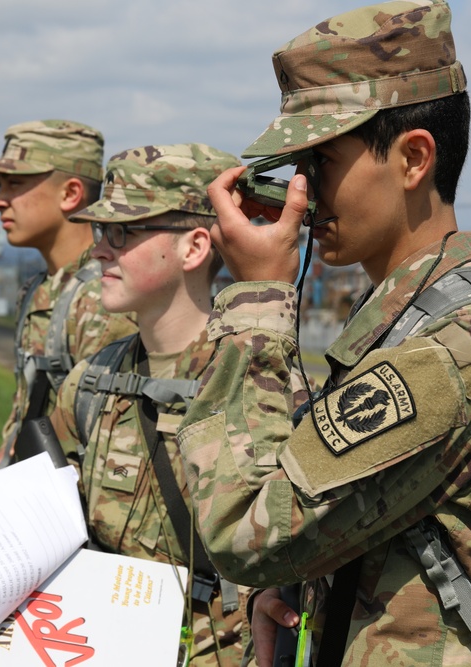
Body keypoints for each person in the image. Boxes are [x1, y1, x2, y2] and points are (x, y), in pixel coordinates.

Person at [175, 2, 471, 666]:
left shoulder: (458, 351)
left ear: (414, 158)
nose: (301, 189)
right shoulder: (408, 327)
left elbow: (243, 527)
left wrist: (255, 300)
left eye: (321, 160)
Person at [51, 143, 308, 666]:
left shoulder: (262, 385)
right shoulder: (92, 381)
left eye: (122, 233)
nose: (99, 251)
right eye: (101, 233)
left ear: (194, 248)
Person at [0, 119, 137, 474]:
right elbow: (32, 403)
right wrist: (4, 458)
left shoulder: (102, 298)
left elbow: (111, 440)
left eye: (15, 183)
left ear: (70, 193)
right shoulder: (40, 288)